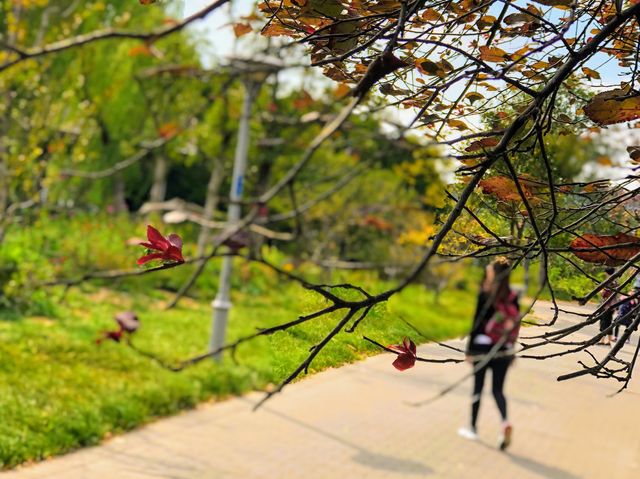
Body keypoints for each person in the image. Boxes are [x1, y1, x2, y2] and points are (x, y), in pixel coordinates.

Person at [458, 257, 520, 451]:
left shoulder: (485, 293)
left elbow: (476, 323)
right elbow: (513, 326)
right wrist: (511, 350)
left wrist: (469, 350)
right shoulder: (512, 296)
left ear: (493, 273)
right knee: (498, 390)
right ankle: (504, 423)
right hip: (503, 349)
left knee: (478, 388)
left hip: (481, 348)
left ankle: (473, 428)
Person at [598, 267, 618, 345]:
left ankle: (602, 340)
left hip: (607, 305)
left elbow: (605, 294)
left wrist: (601, 291)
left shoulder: (609, 281)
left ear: (607, 273)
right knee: (608, 322)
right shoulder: (615, 281)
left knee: (604, 322)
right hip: (612, 305)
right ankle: (608, 340)